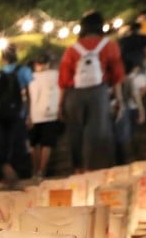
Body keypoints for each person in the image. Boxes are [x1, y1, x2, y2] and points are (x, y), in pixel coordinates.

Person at [58, 10, 125, 172]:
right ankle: (96, 171)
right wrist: (119, 100)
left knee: (76, 132)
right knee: (97, 133)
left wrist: (60, 104)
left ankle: (78, 169)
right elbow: (117, 75)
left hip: (74, 95)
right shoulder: (109, 46)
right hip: (99, 94)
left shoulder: (72, 49)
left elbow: (63, 78)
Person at [0, 44, 33, 184]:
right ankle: (18, 173)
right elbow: (29, 94)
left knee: (3, 144)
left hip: (0, 116)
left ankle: (4, 173)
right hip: (18, 114)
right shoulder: (24, 71)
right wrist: (29, 115)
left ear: (3, 59)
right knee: (18, 145)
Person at [27, 52, 63, 179]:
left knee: (34, 144)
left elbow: (30, 97)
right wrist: (60, 109)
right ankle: (42, 171)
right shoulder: (55, 75)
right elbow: (61, 92)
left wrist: (28, 116)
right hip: (51, 113)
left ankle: (34, 171)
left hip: (34, 114)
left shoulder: (31, 77)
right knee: (46, 144)